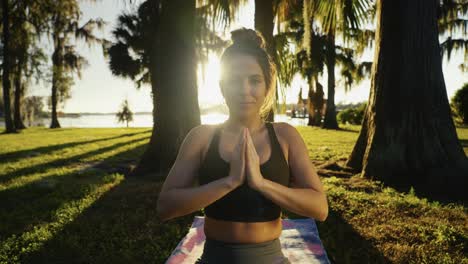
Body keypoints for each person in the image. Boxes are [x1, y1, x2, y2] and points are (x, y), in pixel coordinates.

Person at [157, 28, 328, 264]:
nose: (244, 90)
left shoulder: (286, 136)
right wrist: (229, 182)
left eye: (255, 80)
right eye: (234, 81)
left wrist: (261, 183)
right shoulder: (202, 137)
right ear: (222, 87)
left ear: (267, 86)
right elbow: (165, 206)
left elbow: (320, 208)